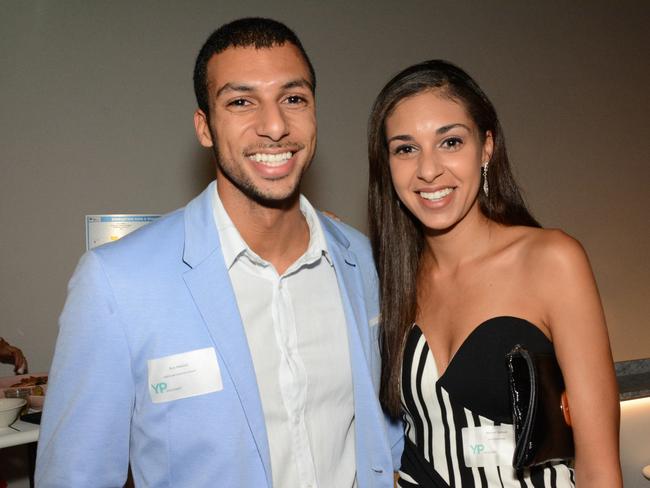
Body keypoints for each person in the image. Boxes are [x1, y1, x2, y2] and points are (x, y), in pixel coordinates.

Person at [36, 17, 401, 488]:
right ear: (204, 127)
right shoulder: (116, 282)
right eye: (241, 101)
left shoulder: (365, 265)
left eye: (293, 99)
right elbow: (75, 476)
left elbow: (388, 441)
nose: (274, 126)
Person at [367, 60, 622, 487]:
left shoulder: (551, 260)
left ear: (486, 147)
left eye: (449, 142)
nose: (428, 170)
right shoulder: (388, 279)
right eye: (406, 148)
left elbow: (600, 469)